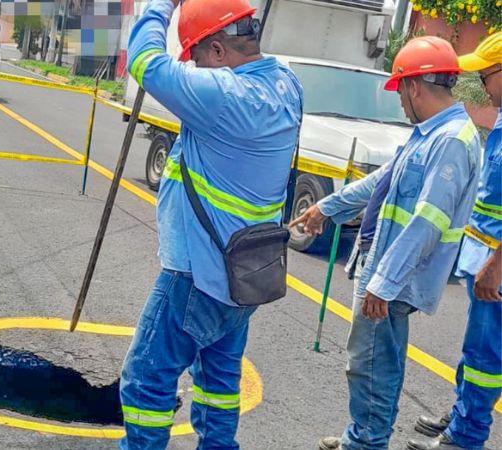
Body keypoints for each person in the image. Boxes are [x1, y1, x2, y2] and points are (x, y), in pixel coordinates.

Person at [118, 0, 303, 448]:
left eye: (198, 57)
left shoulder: (224, 95)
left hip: (197, 274)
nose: (196, 68)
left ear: (218, 51)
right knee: (219, 381)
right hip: (245, 272)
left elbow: (143, 60)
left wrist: (162, 5)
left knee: (145, 379)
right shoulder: (286, 84)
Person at [290, 36, 482, 450]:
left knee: (372, 365)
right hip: (387, 267)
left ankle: (366, 442)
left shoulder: (449, 140)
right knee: (374, 361)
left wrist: (384, 282)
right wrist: (327, 207)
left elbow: (428, 221)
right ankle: (362, 436)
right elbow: (384, 180)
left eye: (400, 92)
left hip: (394, 275)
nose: (399, 103)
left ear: (414, 86)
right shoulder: (431, 133)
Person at [407, 31, 502, 450]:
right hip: (483, 253)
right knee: (476, 348)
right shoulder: (500, 118)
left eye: (487, 73)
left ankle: (465, 436)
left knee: (485, 356)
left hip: (496, 264)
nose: (480, 81)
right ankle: (463, 413)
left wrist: (495, 266)